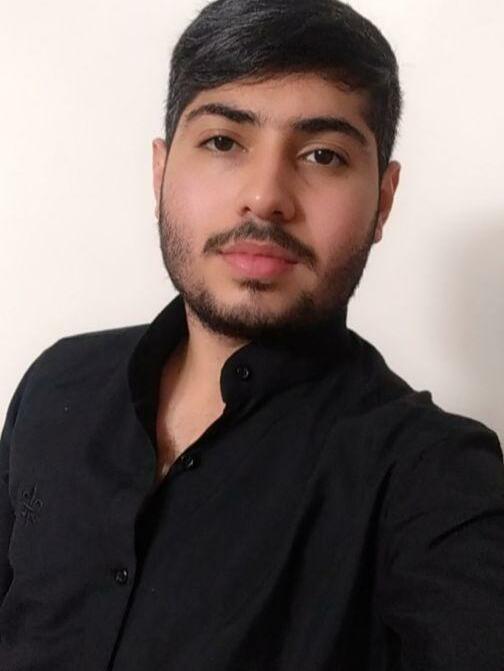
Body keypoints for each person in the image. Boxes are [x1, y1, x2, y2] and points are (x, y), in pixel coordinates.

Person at [1, 0, 503, 668]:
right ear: (160, 171)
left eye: (323, 155)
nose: (266, 196)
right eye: (223, 142)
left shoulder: (433, 476)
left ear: (383, 200)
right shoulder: (56, 385)